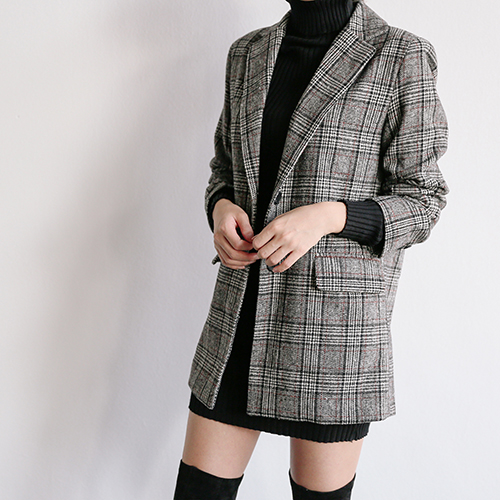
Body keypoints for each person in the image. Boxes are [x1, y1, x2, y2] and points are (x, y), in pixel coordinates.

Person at [174, 0, 449, 498]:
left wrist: (329, 217)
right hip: (238, 319)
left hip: (332, 331)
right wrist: (220, 208)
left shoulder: (399, 55)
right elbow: (224, 168)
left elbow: (424, 200)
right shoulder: (248, 53)